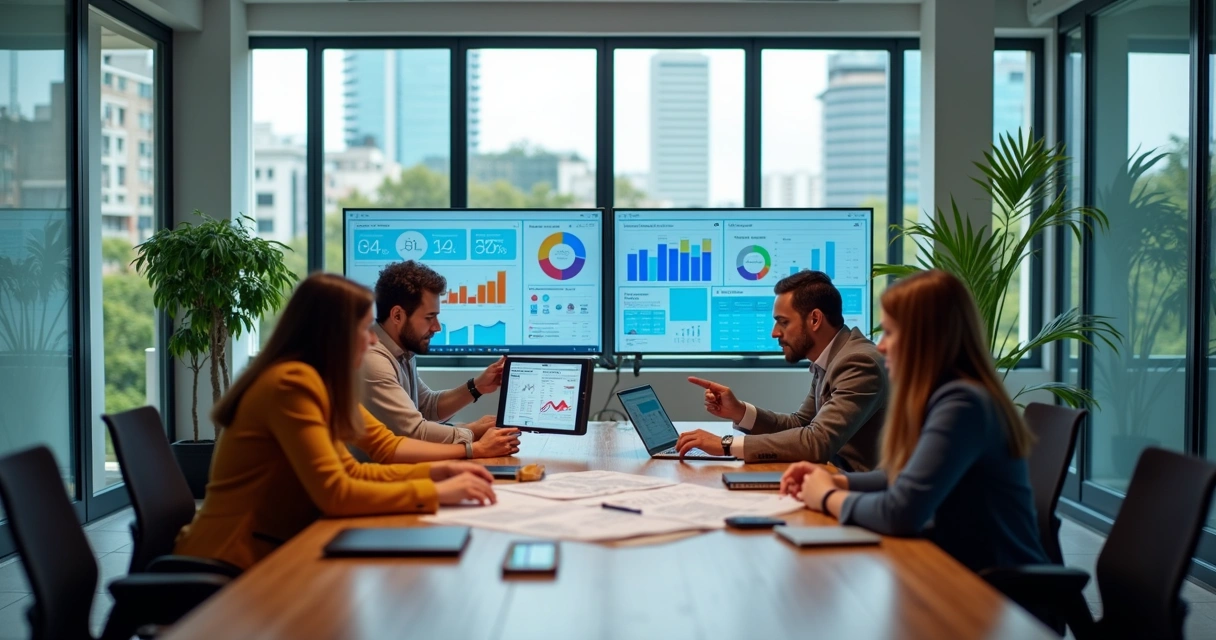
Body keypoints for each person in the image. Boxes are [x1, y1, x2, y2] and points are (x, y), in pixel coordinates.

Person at [174, 273, 497, 571]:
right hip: (232, 559)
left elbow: (360, 466)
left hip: (276, 545)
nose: (372, 341)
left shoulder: (320, 382)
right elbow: (336, 493)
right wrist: (437, 490)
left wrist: (442, 470)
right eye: (364, 328)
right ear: (333, 334)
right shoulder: (291, 384)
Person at [780, 269, 1048, 574]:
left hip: (995, 592)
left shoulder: (963, 404)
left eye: (891, 333)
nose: (880, 346)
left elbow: (900, 512)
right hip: (955, 569)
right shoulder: (942, 396)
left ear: (927, 338)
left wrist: (827, 496)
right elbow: (902, 476)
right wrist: (838, 480)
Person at [676, 270, 887, 472]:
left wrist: (726, 444)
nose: (774, 333)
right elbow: (800, 424)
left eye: (783, 322)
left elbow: (817, 441)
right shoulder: (833, 356)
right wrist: (739, 411)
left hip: (859, 492)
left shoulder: (858, 362)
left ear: (815, 319)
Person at [363, 260, 521, 461]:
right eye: (430, 317)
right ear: (397, 315)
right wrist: (473, 434)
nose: (437, 327)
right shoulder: (374, 360)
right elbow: (414, 432)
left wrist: (477, 386)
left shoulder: (401, 350)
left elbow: (426, 407)